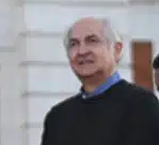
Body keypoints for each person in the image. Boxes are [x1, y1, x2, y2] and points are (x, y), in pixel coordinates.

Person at [40, 17, 159, 145]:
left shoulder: (141, 105)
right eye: (73, 44)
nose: (82, 51)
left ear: (116, 50)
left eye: (92, 41)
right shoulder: (57, 117)